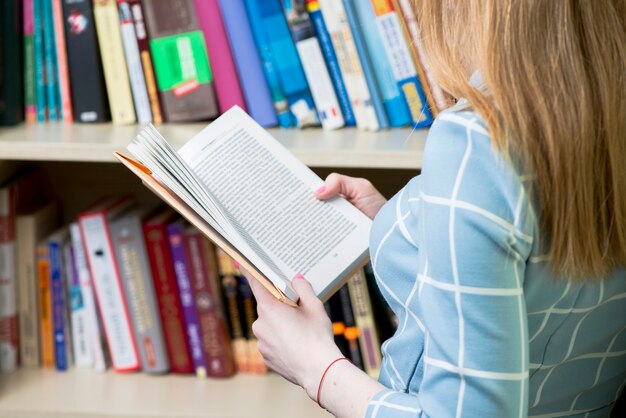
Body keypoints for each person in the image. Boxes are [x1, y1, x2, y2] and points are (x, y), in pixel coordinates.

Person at [240, 1, 626, 416]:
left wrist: (313, 364)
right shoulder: (602, 108)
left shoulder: (478, 141)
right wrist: (416, 221)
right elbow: (545, 271)